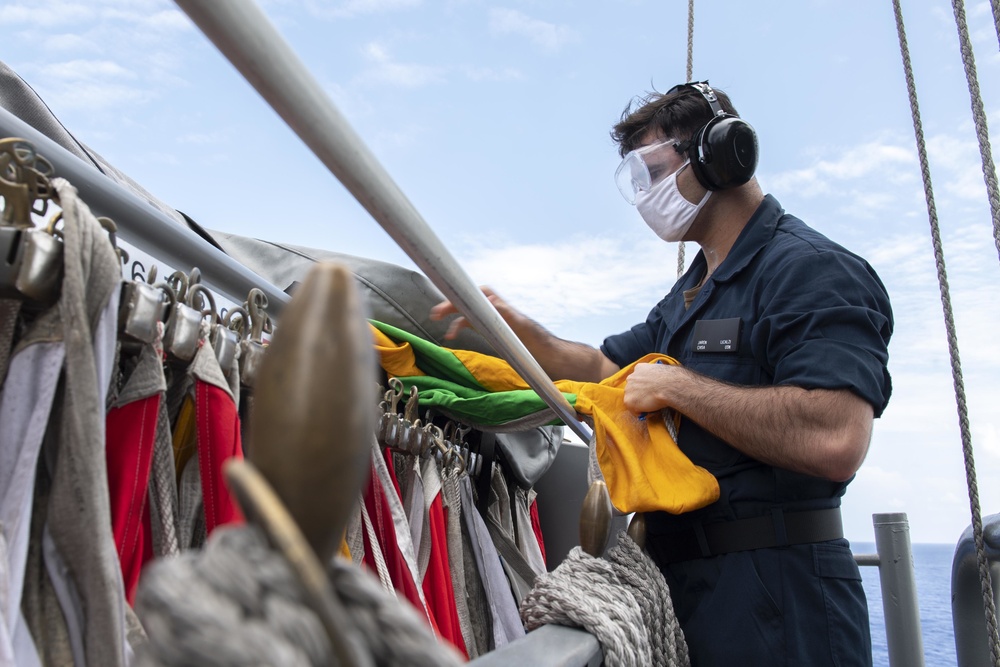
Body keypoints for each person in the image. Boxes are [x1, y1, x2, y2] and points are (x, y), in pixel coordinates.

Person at [431, 81, 892, 665]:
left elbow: (835, 437)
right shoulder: (691, 291)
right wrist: (514, 328)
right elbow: (605, 368)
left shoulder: (812, 271)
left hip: (778, 591)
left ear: (718, 155)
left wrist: (678, 387)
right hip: (688, 588)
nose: (647, 194)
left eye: (654, 169)